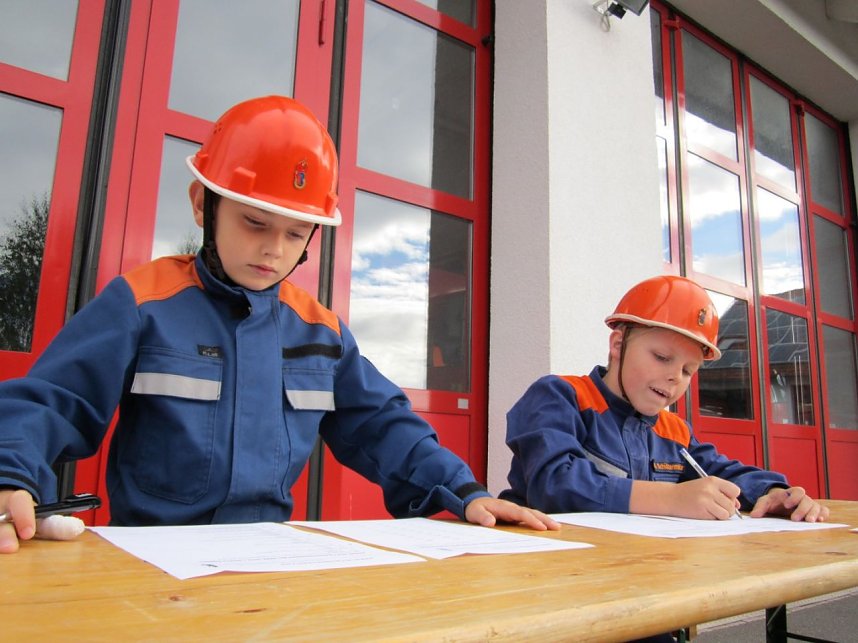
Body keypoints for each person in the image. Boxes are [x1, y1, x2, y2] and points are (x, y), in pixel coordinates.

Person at [0, 95, 557, 553]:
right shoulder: (142, 302)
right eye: (255, 222)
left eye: (296, 234)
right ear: (202, 204)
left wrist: (463, 491)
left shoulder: (320, 333)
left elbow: (383, 426)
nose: (273, 250)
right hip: (151, 560)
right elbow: (51, 400)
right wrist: (10, 475)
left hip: (270, 558)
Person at [500, 274, 829, 523]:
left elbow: (722, 472)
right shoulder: (561, 396)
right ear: (618, 345)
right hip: (545, 576)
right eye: (661, 357)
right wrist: (671, 498)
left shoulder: (674, 431)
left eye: (688, 370)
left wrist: (773, 493)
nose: (675, 377)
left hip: (635, 574)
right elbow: (554, 483)